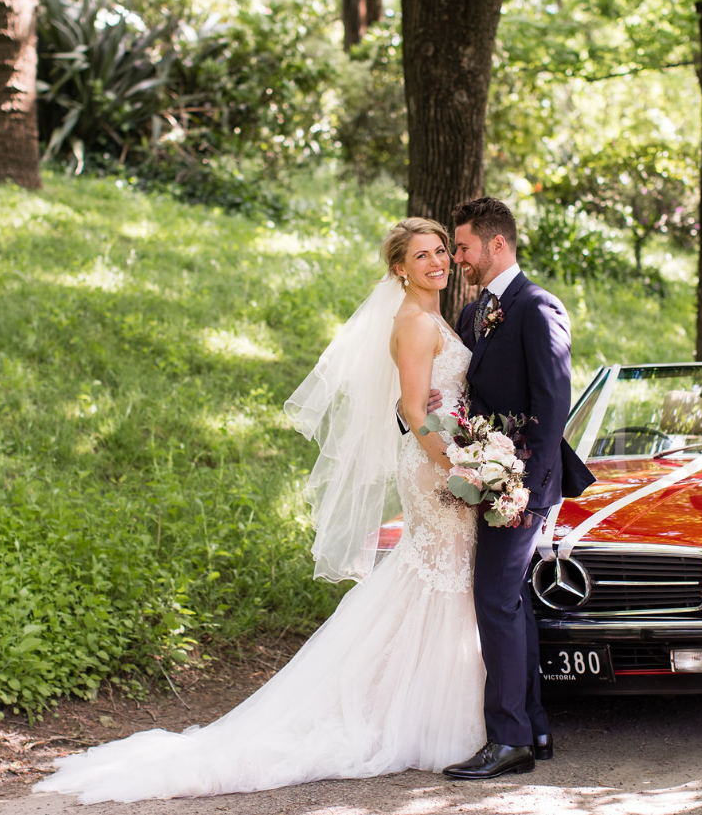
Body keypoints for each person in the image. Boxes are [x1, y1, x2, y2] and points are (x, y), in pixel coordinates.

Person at [32, 218, 486, 803]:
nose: (437, 262)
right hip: (434, 468)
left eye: (441, 251)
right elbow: (412, 407)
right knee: (438, 578)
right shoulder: (417, 322)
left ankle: (416, 704)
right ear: (399, 269)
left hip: (440, 458)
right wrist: (455, 468)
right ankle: (420, 716)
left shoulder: (430, 317)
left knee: (433, 580)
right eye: (422, 255)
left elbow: (431, 401)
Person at [441, 197, 595, 781]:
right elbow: (468, 394)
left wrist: (522, 488)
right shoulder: (473, 313)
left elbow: (552, 408)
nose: (458, 259)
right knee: (512, 602)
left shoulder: (538, 307)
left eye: (463, 247)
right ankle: (532, 726)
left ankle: (507, 741)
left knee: (496, 599)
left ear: (496, 244)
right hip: (485, 478)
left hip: (521, 486)